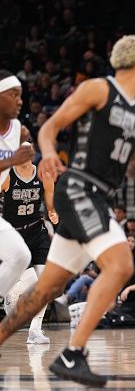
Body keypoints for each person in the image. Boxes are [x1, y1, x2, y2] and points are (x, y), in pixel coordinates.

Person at [0, 36, 135, 387]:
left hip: (98, 195)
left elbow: (134, 162)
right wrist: (49, 153)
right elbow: (50, 127)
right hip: (80, 188)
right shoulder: (99, 89)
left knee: (41, 294)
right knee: (121, 264)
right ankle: (73, 354)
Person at [1, 127, 58, 344]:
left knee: (45, 283)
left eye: (30, 149)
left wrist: (52, 211)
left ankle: (35, 331)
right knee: (31, 282)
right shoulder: (7, 176)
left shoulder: (44, 173)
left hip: (37, 231)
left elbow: (49, 198)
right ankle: (9, 293)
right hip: (15, 236)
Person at [0, 70, 36, 324]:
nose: (20, 100)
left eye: (21, 95)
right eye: (13, 94)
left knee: (21, 256)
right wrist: (13, 160)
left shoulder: (18, 131)